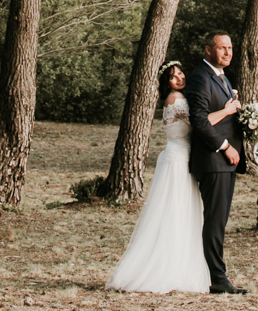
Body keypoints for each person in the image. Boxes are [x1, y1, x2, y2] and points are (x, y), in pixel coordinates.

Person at [106, 60, 210, 294]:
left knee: (180, 211)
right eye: (173, 77)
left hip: (181, 157)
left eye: (181, 73)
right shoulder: (176, 99)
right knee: (174, 213)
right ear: (167, 83)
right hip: (177, 160)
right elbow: (200, 122)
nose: (180, 78)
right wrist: (227, 109)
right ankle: (166, 270)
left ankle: (179, 266)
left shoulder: (180, 98)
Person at [185, 31, 248, 295]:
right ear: (208, 50)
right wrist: (225, 146)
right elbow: (199, 121)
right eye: (222, 48)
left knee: (218, 220)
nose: (227, 52)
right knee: (215, 220)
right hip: (214, 160)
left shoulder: (221, 76)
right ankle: (217, 278)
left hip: (225, 162)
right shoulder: (201, 77)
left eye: (230, 48)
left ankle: (213, 274)